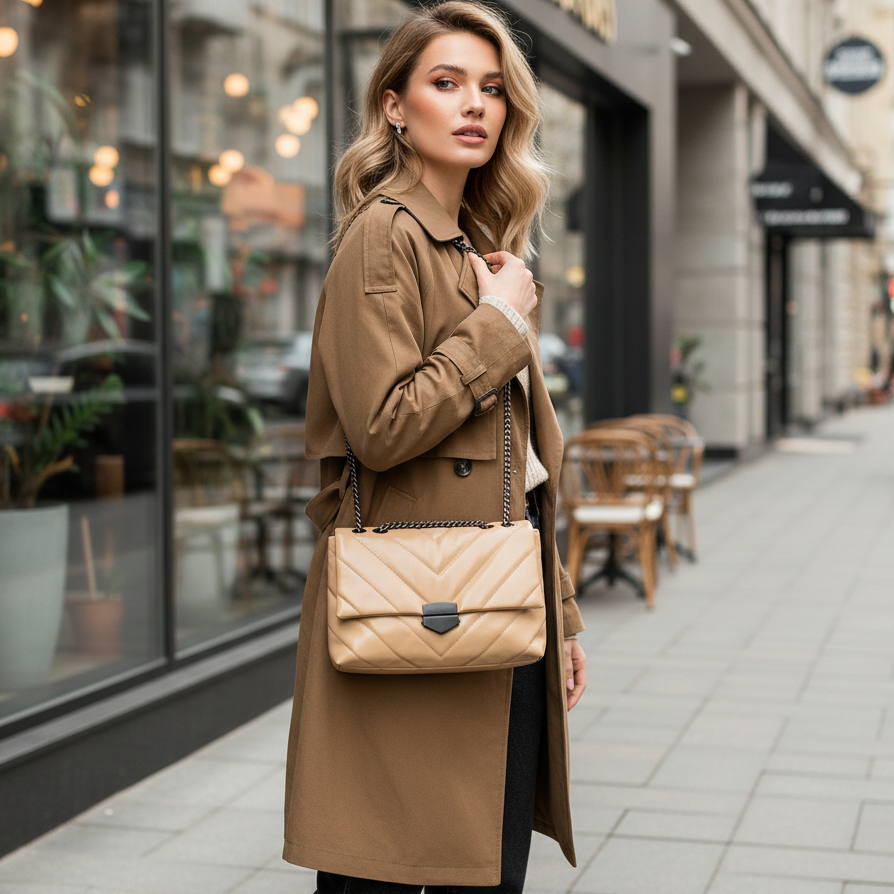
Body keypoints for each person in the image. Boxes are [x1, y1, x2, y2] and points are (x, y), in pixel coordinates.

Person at [283, 3, 587, 892]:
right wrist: (497, 325)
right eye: (445, 83)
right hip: (422, 601)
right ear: (393, 106)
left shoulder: (476, 250)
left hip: (494, 600)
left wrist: (560, 614)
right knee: (386, 870)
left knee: (481, 867)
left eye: (492, 88)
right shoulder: (386, 234)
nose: (475, 106)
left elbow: (517, 463)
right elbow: (382, 428)